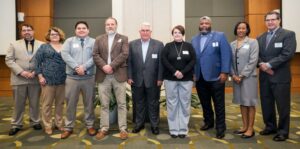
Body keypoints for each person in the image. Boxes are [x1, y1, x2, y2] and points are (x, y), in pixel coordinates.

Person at [257, 11, 296, 142]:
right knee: (266, 104)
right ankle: (270, 127)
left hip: (280, 77)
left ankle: (283, 131)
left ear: (279, 20)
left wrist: (269, 65)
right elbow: (257, 56)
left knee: (282, 106)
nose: (270, 22)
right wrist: (263, 65)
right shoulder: (260, 37)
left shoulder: (288, 34)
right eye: (267, 20)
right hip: (265, 77)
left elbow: (287, 54)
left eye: (273, 19)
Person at [191, 16, 232, 139]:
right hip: (200, 76)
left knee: (218, 103)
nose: (204, 25)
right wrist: (193, 73)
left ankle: (221, 127)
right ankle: (208, 122)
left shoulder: (220, 36)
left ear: (210, 24)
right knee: (205, 102)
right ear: (199, 25)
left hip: (216, 77)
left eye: (206, 23)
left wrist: (225, 72)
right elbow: (193, 58)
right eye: (202, 23)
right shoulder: (194, 39)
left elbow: (226, 54)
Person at [93, 17, 129, 140]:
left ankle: (123, 129)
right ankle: (104, 128)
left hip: (119, 74)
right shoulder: (99, 39)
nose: (110, 26)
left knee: (121, 103)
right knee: (104, 104)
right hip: (103, 75)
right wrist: (104, 66)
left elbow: (124, 54)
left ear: (116, 25)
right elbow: (95, 54)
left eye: (112, 24)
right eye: (107, 24)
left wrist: (111, 66)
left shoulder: (123, 38)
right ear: (105, 26)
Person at [5, 24, 44, 135]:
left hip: (35, 78)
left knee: (35, 102)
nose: (27, 32)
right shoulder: (14, 44)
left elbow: (44, 61)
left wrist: (35, 72)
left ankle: (35, 122)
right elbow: (9, 60)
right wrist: (22, 72)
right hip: (19, 78)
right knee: (18, 103)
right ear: (21, 32)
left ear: (33, 31)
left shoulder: (42, 45)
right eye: (24, 30)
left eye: (29, 30)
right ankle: (16, 124)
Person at [60, 21, 96, 139]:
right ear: (75, 30)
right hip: (72, 78)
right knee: (70, 103)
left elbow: (95, 56)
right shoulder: (69, 41)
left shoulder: (94, 42)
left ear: (88, 30)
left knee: (89, 103)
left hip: (89, 77)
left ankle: (90, 125)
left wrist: (84, 67)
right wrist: (76, 67)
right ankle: (68, 127)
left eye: (84, 28)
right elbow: (65, 54)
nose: (81, 30)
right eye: (79, 28)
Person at [127, 22, 164, 135]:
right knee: (138, 103)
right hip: (136, 79)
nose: (145, 32)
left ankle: (154, 125)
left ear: (151, 32)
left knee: (153, 103)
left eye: (147, 30)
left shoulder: (158, 44)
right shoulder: (132, 44)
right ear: (139, 32)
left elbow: (161, 64)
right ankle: (139, 124)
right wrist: (129, 76)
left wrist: (160, 78)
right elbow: (129, 63)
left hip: (153, 80)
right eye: (143, 30)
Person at [161, 25, 196, 138]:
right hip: (170, 79)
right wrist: (175, 72)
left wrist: (183, 72)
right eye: (175, 32)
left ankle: (183, 129)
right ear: (172, 34)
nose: (177, 34)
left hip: (186, 79)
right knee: (172, 103)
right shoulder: (168, 46)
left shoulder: (189, 46)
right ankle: (174, 129)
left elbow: (193, 60)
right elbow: (164, 60)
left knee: (184, 104)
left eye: (179, 33)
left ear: (183, 34)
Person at [35, 27, 66, 135]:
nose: (54, 36)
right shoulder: (44, 47)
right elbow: (37, 63)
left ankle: (59, 123)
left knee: (60, 104)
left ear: (60, 35)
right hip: (47, 80)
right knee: (46, 104)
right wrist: (40, 77)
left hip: (63, 80)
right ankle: (48, 125)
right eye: (52, 34)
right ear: (49, 36)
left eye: (56, 34)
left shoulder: (65, 46)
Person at [230, 22, 259, 139]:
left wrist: (242, 75)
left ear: (247, 30)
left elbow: (253, 60)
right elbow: (229, 61)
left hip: (248, 78)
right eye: (238, 28)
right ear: (236, 30)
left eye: (243, 28)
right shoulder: (232, 44)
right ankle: (244, 126)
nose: (241, 30)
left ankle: (251, 128)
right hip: (236, 78)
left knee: (250, 102)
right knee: (242, 102)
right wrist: (233, 74)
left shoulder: (253, 42)